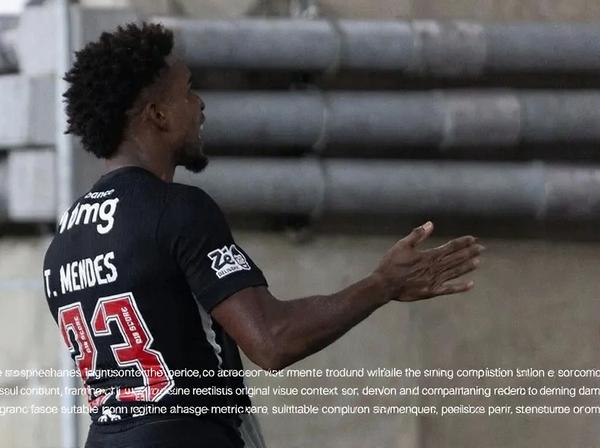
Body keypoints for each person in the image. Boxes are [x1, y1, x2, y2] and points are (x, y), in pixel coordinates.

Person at [43, 22, 483, 448]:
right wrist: (382, 284)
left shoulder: (61, 246)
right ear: (157, 115)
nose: (199, 105)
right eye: (187, 91)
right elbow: (273, 341)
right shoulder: (177, 209)